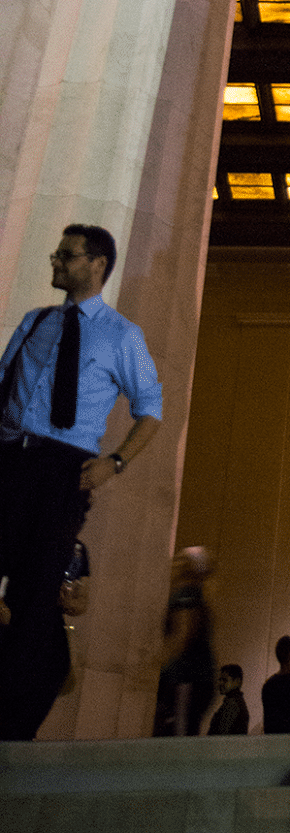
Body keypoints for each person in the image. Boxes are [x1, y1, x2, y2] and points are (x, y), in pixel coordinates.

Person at [0, 224, 162, 740]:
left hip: (61, 470)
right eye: (56, 253)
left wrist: (115, 462)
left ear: (97, 264)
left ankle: (12, 726)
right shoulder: (34, 321)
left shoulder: (122, 335)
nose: (55, 262)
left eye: (65, 256)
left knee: (33, 594)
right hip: (8, 458)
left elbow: (151, 410)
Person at [153, 546, 216, 736]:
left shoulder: (185, 595)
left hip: (186, 681)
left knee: (178, 740)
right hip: (196, 681)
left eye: (181, 561)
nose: (175, 563)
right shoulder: (199, 597)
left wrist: (151, 666)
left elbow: (181, 637)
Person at [208, 664, 250, 735]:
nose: (220, 683)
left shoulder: (232, 704)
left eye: (224, 680)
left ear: (237, 681)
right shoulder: (236, 702)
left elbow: (221, 734)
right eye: (220, 680)